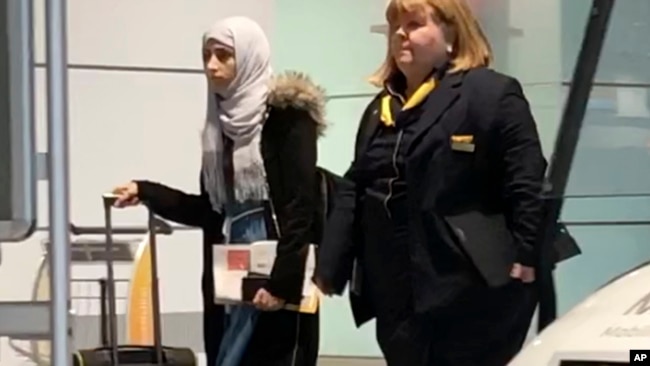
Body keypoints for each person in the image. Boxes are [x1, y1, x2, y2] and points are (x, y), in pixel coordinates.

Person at [314, 0, 545, 365]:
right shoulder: (380, 109)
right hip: (395, 292)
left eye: (415, 23)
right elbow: (356, 186)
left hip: (468, 287)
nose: (401, 33)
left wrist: (527, 249)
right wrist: (330, 267)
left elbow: (526, 176)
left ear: (452, 34)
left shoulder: (488, 93)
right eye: (396, 26)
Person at [111, 16, 326, 366]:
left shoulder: (289, 119)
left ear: (248, 57)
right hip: (230, 269)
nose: (211, 65)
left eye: (224, 55)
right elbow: (210, 211)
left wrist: (280, 284)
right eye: (206, 54)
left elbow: (301, 208)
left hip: (275, 266)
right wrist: (146, 191)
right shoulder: (219, 129)